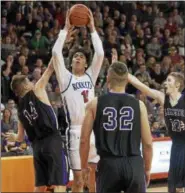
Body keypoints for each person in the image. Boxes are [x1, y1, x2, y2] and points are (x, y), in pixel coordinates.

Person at [80, 61, 153, 193]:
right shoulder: (139, 105)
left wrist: (84, 166)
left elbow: (84, 140)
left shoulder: (94, 104)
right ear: (127, 80)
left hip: (109, 165)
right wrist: (147, 169)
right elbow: (148, 143)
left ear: (107, 78)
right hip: (134, 163)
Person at [52, 9, 104, 192]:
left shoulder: (90, 77)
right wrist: (65, 30)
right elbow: (56, 54)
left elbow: (100, 54)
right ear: (71, 62)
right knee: (79, 181)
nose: (78, 58)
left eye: (81, 57)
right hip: (75, 131)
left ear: (85, 63)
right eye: (75, 57)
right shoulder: (65, 78)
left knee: (94, 179)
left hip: (93, 129)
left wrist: (92, 29)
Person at [5, 57, 69, 193]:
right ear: (25, 85)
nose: (31, 82)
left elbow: (20, 138)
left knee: (40, 186)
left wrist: (14, 137)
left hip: (37, 148)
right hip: (52, 140)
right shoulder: (38, 89)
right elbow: (50, 68)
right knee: (59, 184)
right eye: (29, 81)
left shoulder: (19, 109)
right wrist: (60, 44)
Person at [128, 71, 185, 192]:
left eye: (169, 80)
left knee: (180, 186)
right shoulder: (163, 98)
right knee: (173, 187)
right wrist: (126, 74)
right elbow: (144, 88)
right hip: (176, 145)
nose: (165, 83)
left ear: (178, 85)